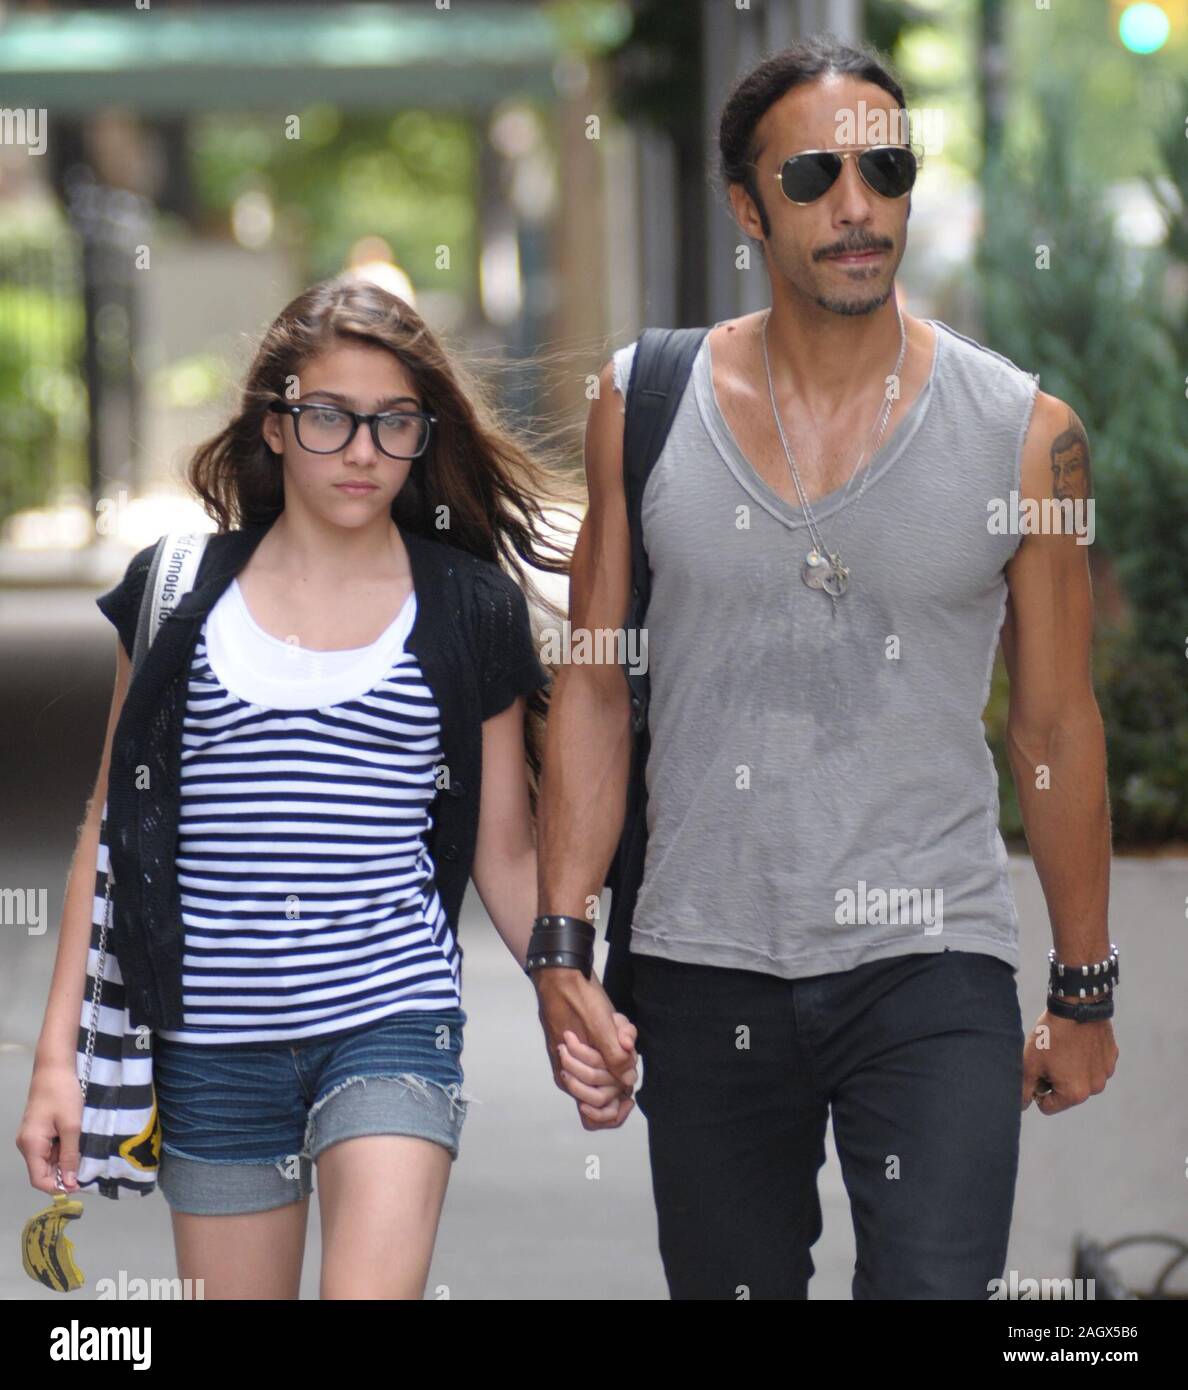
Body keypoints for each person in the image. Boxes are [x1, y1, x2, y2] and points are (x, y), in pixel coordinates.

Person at [534, 37, 1118, 1299]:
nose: (856, 206)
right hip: (704, 962)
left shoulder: (1029, 437)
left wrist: (1082, 982)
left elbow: (1056, 724)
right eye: (812, 177)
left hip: (934, 961)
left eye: (886, 167)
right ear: (749, 206)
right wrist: (561, 942)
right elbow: (591, 675)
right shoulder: (642, 401)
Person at [17, 274, 633, 1300]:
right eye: (330, 418)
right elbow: (108, 831)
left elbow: (504, 850)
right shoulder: (176, 595)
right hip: (213, 1044)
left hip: (390, 1023)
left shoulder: (467, 607)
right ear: (275, 425)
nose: (362, 450)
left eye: (395, 423)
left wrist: (569, 992)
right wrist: (54, 1061)